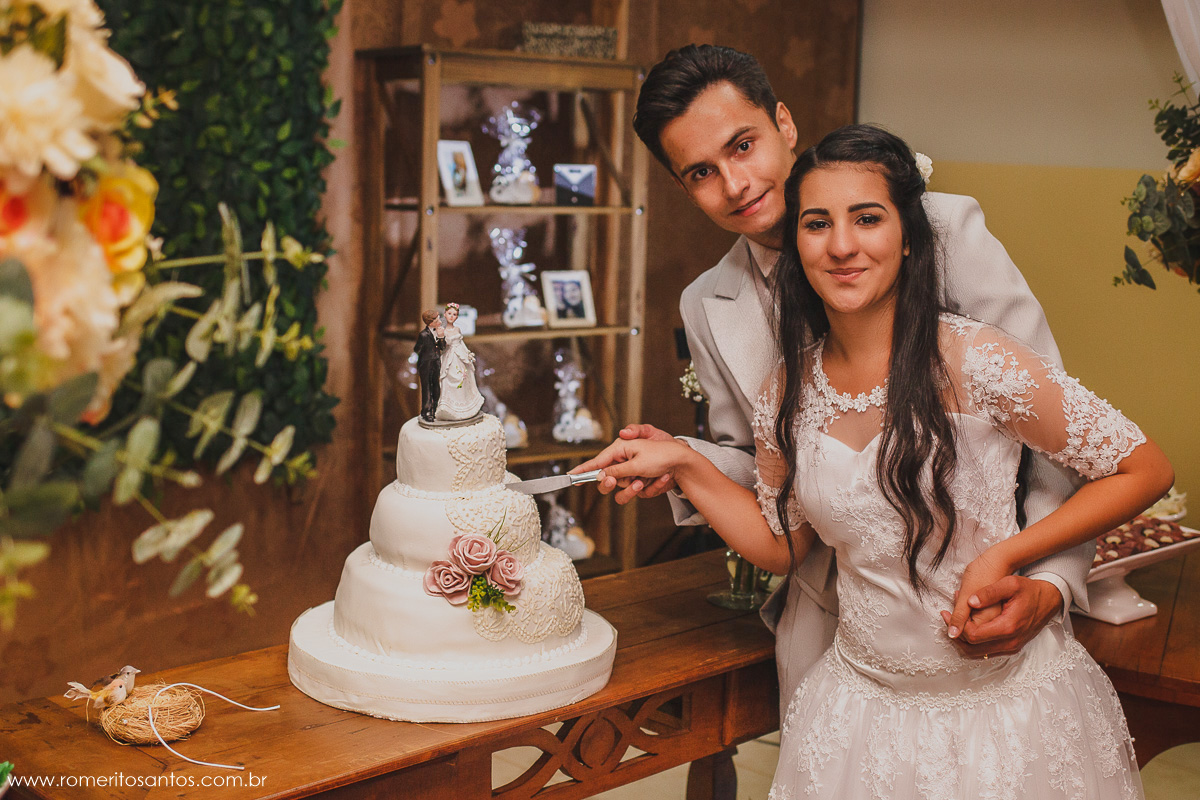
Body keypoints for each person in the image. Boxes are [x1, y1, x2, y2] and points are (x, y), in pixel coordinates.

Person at [583, 123, 1171, 797]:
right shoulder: (789, 391)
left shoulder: (976, 359)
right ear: (795, 243)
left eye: (867, 219)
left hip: (1004, 714)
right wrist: (685, 465)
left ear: (909, 237)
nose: (841, 245)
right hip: (859, 719)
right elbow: (783, 545)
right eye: (816, 223)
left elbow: (1143, 469)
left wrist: (1009, 557)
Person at [580, 44, 1096, 720]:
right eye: (702, 172)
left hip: (984, 607)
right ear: (682, 186)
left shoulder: (936, 230)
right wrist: (684, 462)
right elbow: (765, 468)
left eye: (743, 146)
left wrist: (1052, 582)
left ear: (784, 126)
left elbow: (1052, 427)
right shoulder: (706, 304)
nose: (734, 184)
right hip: (824, 617)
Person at [435, 302, 485, 421]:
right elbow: (441, 347)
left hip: (459, 355)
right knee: (450, 378)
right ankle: (449, 407)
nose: (452, 316)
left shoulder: (457, 329)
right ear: (445, 315)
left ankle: (465, 405)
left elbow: (461, 343)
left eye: (454, 314)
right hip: (449, 357)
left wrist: (467, 354)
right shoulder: (442, 331)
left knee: (463, 376)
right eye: (449, 314)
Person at [414, 309, 445, 422]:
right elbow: (417, 349)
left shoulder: (439, 332)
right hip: (426, 364)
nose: (440, 321)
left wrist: (441, 338)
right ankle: (426, 412)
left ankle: (435, 410)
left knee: (436, 387)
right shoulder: (423, 335)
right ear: (430, 322)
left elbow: (442, 347)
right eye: (437, 319)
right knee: (427, 388)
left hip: (436, 362)